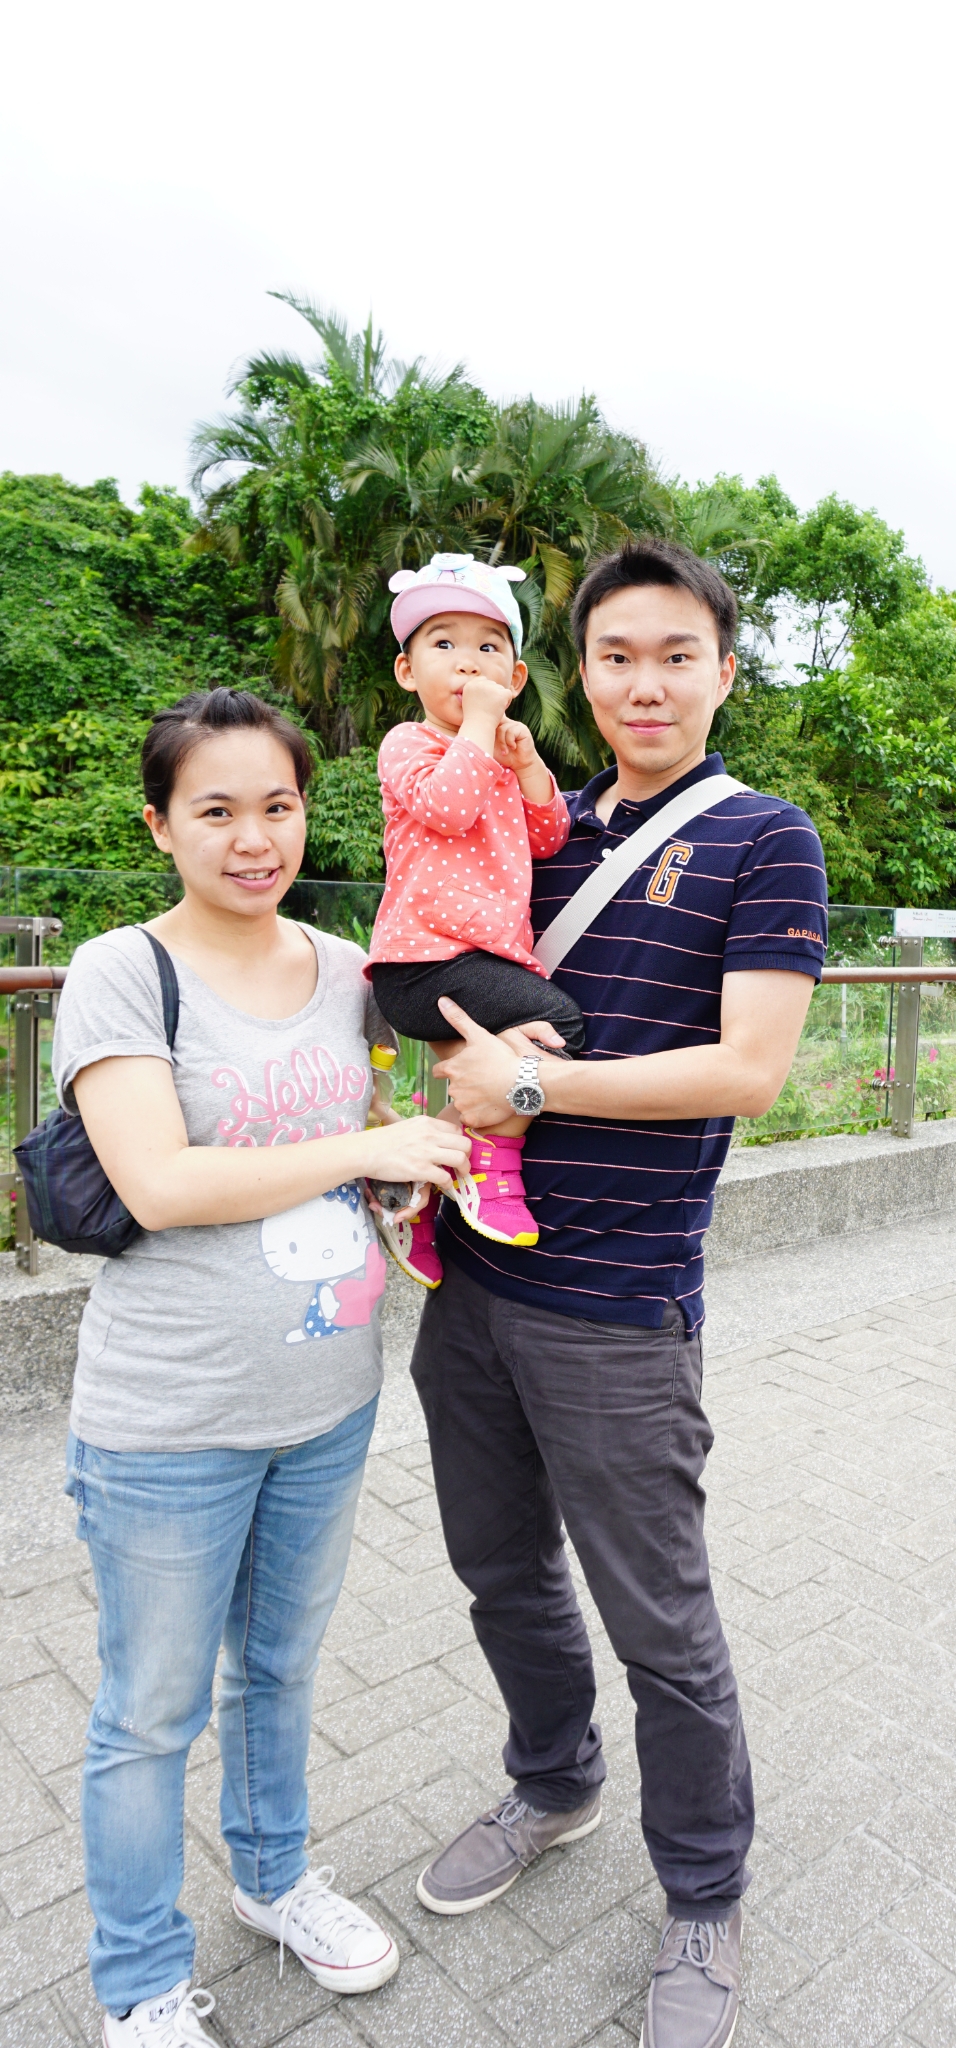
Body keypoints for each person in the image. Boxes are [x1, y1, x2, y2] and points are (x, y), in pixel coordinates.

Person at [406, 540, 829, 2048]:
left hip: (621, 1307)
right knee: (501, 1569)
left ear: (724, 670)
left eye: (675, 655)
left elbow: (747, 1070)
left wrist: (533, 1084)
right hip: (472, 1279)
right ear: (575, 674)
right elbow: (438, 958)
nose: (645, 684)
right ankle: (554, 1781)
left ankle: (705, 1897)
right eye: (615, 656)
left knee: (663, 1622)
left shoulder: (766, 838)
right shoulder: (537, 823)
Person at [53, 688, 470, 2048]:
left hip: (326, 1400)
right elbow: (161, 1184)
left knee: (280, 1667)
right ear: (160, 824)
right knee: (150, 1711)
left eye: (279, 806)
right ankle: (137, 1983)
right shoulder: (124, 970)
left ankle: (276, 1877)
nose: (253, 838)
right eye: (217, 810)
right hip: (169, 1418)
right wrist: (363, 1150)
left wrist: (397, 1175)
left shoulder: (350, 969)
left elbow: (363, 1132)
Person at [365, 553, 585, 1281]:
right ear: (408, 672)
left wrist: (527, 768)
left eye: (488, 647)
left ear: (515, 677)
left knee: (527, 1051)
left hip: (475, 967)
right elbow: (447, 807)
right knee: (558, 1028)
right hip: (421, 964)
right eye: (444, 644)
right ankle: (490, 1168)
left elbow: (550, 837)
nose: (467, 662)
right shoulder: (410, 744)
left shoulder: (498, 759)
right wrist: (481, 728)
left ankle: (416, 1184)